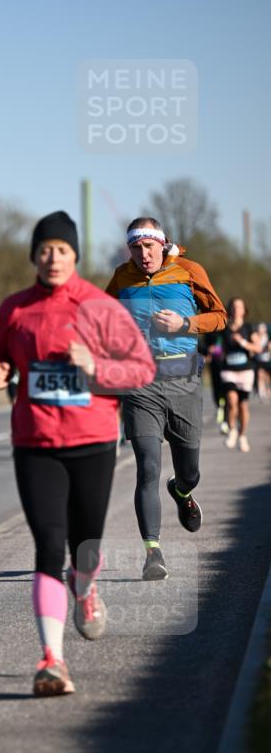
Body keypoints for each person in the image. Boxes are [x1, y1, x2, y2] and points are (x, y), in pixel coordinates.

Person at [0, 211, 156, 696]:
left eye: (61, 250)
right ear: (34, 256)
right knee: (47, 546)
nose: (52, 258)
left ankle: (85, 587)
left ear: (74, 256)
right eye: (44, 250)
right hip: (35, 443)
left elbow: (140, 370)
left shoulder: (100, 307)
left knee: (86, 546)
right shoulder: (15, 309)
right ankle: (52, 660)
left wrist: (95, 365)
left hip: (92, 441)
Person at [106, 219, 227, 579]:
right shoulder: (121, 278)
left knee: (188, 471)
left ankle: (181, 491)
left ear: (162, 244)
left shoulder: (188, 271)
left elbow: (219, 317)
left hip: (184, 381)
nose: (143, 255)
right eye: (135, 248)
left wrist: (185, 325)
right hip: (140, 385)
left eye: (149, 246)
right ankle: (153, 552)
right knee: (147, 467)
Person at [221, 298, 262, 452]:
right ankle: (232, 430)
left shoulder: (249, 327)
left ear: (244, 310)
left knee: (243, 406)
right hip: (229, 370)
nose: (236, 309)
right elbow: (218, 346)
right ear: (230, 309)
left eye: (239, 306)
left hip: (246, 370)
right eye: (234, 306)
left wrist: (242, 342)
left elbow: (257, 348)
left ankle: (242, 435)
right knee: (232, 401)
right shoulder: (224, 328)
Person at [255, 321, 271, 401]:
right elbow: (256, 348)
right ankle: (261, 392)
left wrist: (267, 348)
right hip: (259, 360)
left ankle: (267, 389)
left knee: (267, 376)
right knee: (260, 374)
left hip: (267, 360)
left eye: (262, 329)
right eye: (259, 329)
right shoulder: (256, 337)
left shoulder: (267, 337)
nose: (261, 331)